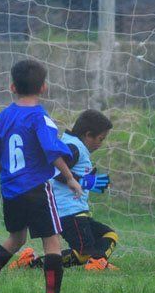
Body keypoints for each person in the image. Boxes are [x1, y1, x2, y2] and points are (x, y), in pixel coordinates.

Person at [0, 59, 83, 293]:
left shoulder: (4, 116)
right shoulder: (40, 117)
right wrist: (69, 177)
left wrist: (5, 170)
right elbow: (51, 148)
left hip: (12, 191)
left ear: (12, 87)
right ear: (44, 88)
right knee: (51, 242)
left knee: (16, 238)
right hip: (37, 188)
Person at [12, 109, 118, 271]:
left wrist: (89, 181)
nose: (101, 144)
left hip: (76, 212)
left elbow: (69, 173)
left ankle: (97, 260)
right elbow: (55, 170)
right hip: (69, 212)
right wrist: (81, 179)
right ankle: (95, 262)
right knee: (84, 253)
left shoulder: (73, 146)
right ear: (88, 134)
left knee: (109, 235)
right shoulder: (73, 148)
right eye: (100, 139)